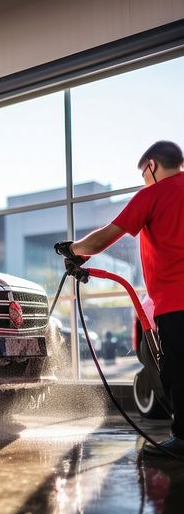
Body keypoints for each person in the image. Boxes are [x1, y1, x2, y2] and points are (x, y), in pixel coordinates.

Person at [56, 140, 184, 458]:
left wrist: (72, 250)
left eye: (143, 172)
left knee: (178, 373)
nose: (143, 179)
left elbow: (103, 238)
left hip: (176, 302)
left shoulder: (152, 195)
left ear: (151, 166)